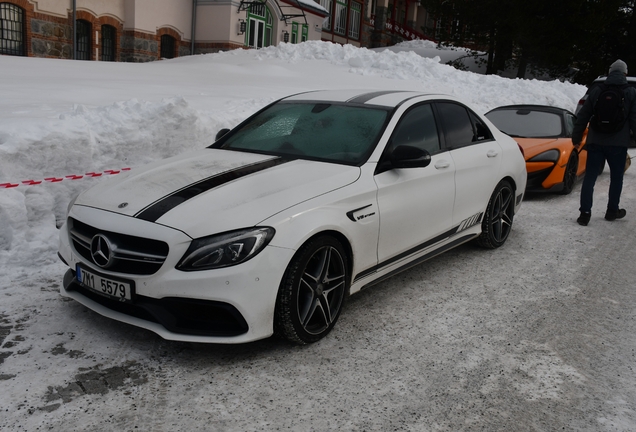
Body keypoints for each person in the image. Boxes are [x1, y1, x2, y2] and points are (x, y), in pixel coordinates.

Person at [572, 59, 636, 226]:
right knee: (616, 178)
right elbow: (634, 119)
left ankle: (585, 213)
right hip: (618, 144)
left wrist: (576, 137)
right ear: (625, 73)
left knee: (590, 178)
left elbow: (583, 115)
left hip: (595, 141)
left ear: (609, 72)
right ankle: (611, 211)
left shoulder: (597, 90)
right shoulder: (631, 92)